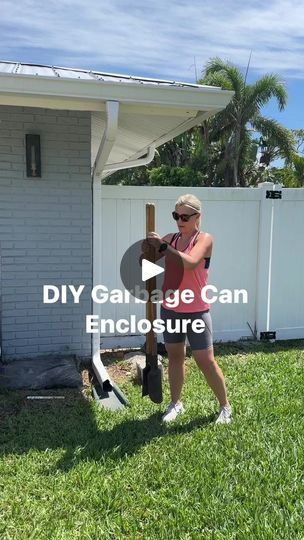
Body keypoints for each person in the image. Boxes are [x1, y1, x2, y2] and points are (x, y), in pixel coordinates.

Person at [146, 193, 232, 424]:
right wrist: (146, 249)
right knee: (175, 357)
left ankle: (225, 406)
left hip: (196, 310)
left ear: (197, 216)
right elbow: (147, 264)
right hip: (171, 308)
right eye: (176, 215)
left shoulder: (204, 239)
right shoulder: (170, 239)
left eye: (185, 216)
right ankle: (176, 403)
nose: (180, 220)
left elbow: (191, 262)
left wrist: (162, 246)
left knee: (205, 360)